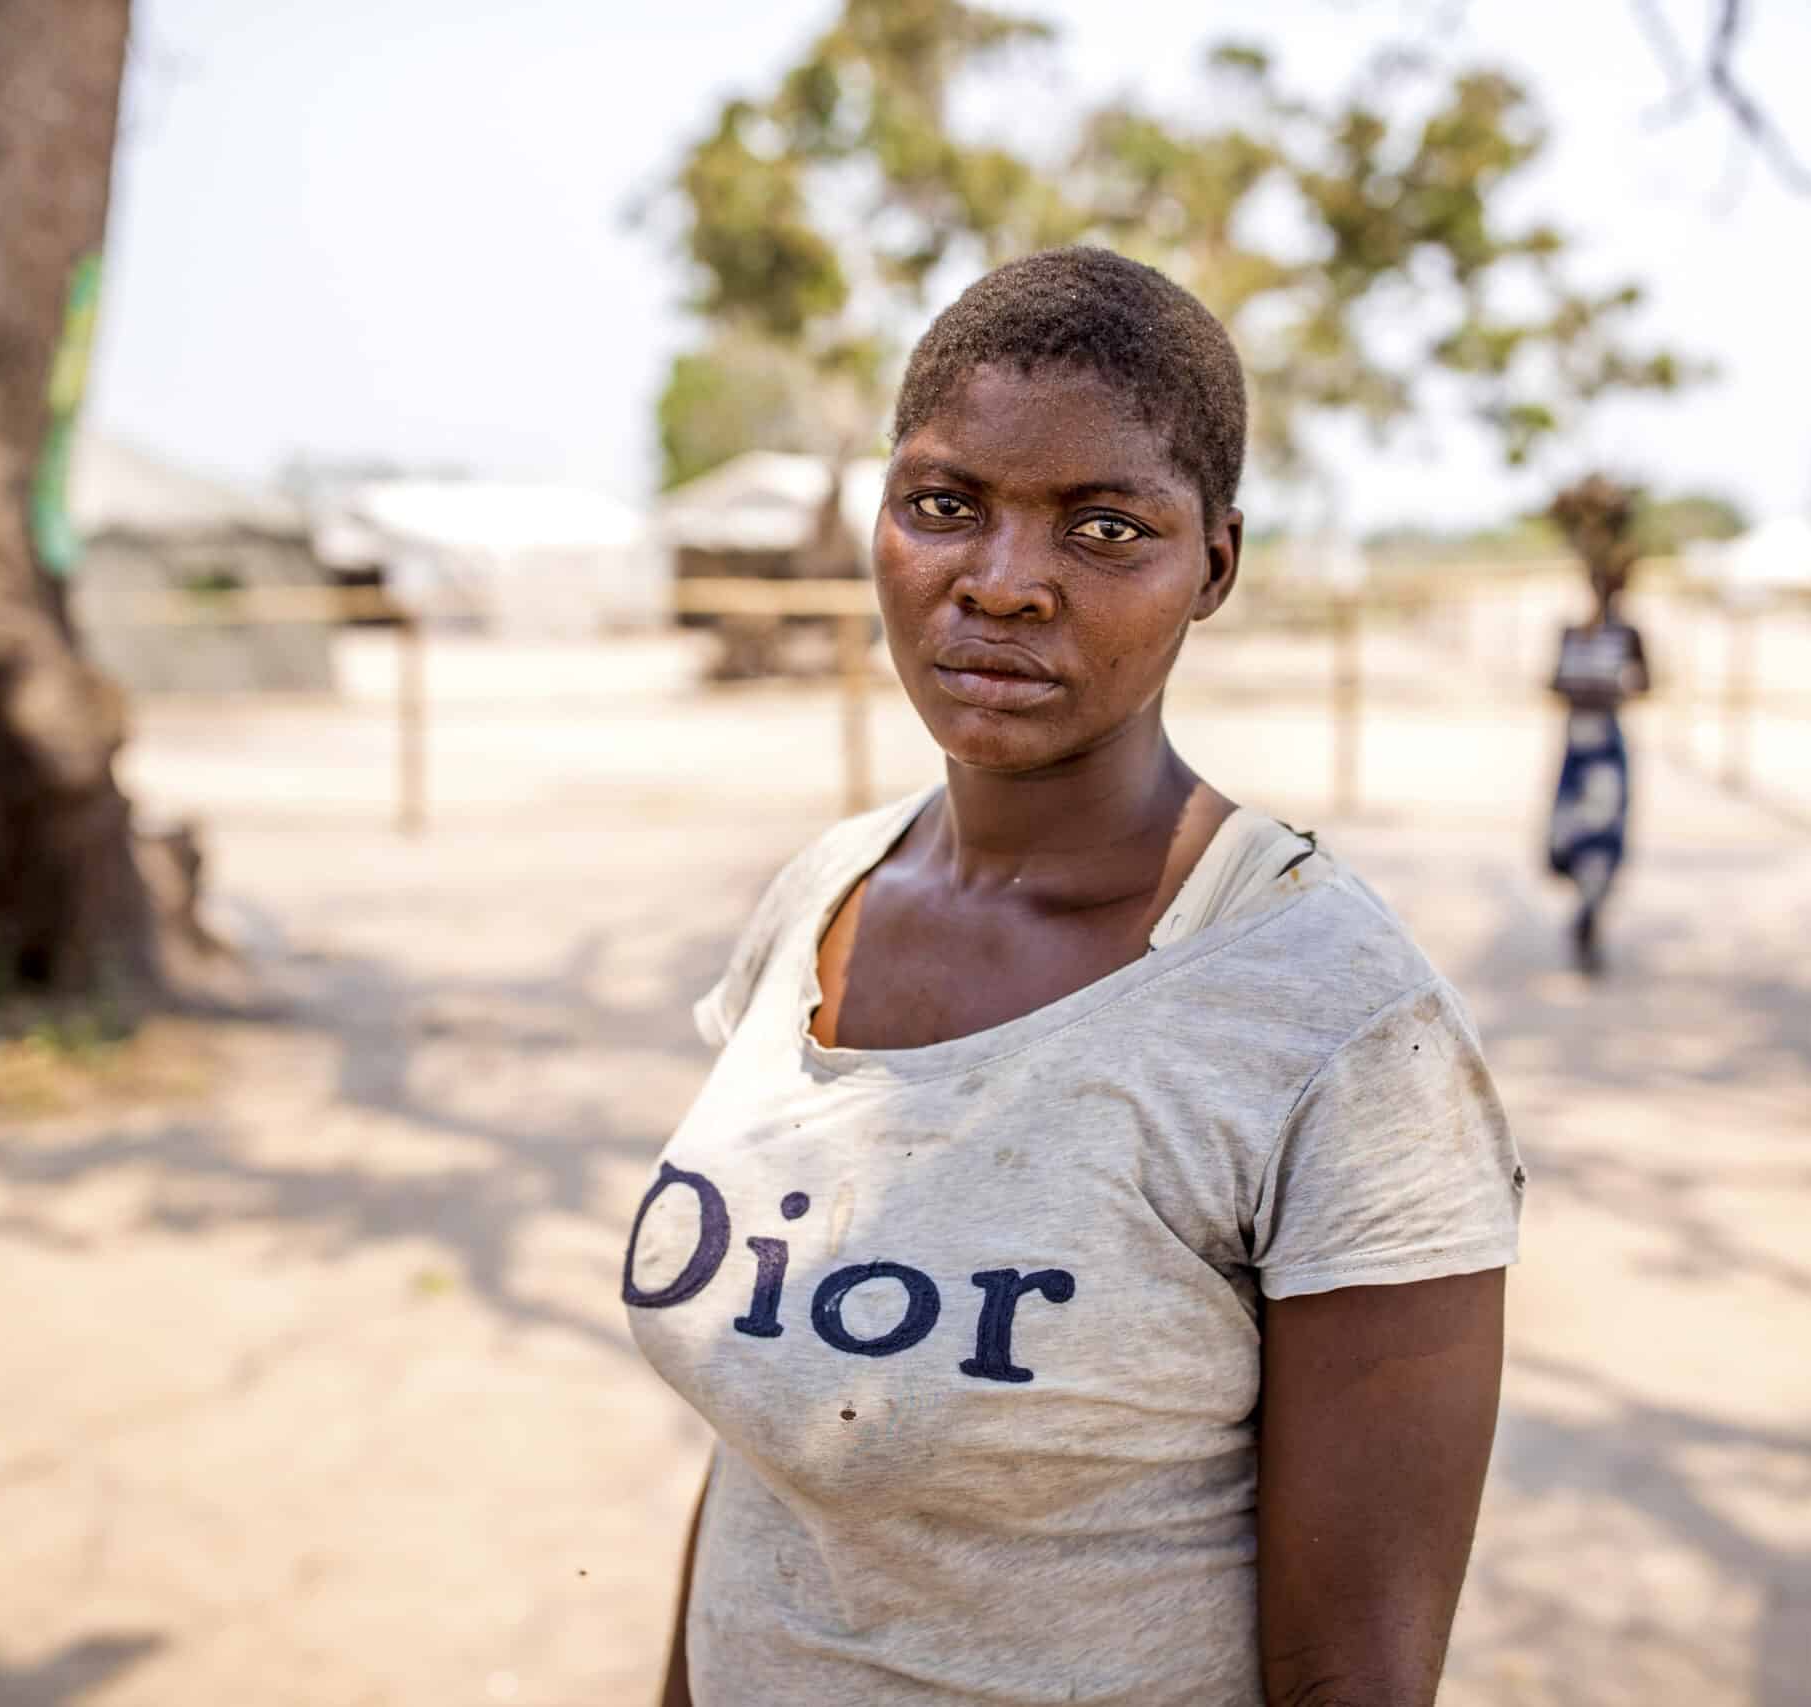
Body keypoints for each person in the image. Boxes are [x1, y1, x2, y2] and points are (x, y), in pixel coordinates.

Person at [623, 248, 1523, 1707]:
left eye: (1105, 527)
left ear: (1212, 564)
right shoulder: (820, 900)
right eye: (944, 505)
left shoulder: (1335, 1026)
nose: (1003, 583)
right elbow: (772, 1468)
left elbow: (1351, 1668)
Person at [1542, 483, 1650, 973]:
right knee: (1571, 837)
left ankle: (1591, 920)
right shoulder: (1571, 632)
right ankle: (1584, 913)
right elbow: (1551, 682)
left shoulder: (1628, 634)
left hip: (1606, 745)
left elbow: (1644, 684)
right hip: (1578, 746)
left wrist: (1608, 691)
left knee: (1603, 838)